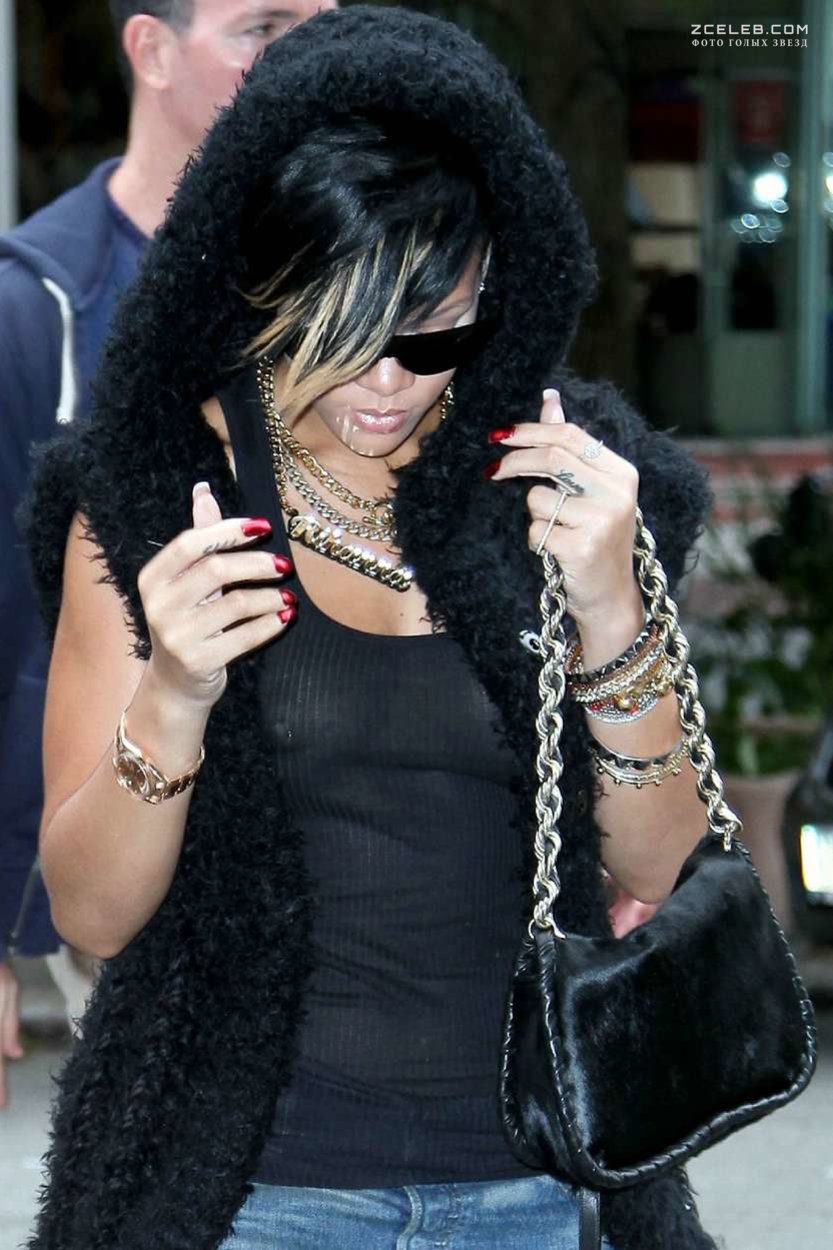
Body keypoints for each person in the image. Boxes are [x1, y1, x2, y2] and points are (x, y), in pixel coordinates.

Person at [22, 8, 718, 1249]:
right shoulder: (150, 498)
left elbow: (662, 871)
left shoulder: (564, 479)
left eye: (432, 324)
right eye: (335, 327)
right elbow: (91, 915)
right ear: (256, 280)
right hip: (250, 1198)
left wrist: (613, 609)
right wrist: (173, 694)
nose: (386, 382)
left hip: (535, 1190)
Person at [0, 0, 334, 1107]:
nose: (301, 54)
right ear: (149, 49)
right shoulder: (37, 308)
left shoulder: (370, 264)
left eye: (323, 21)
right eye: (262, 27)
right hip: (127, 854)